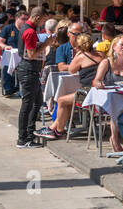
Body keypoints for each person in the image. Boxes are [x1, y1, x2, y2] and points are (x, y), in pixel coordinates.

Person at [41, 34, 101, 139]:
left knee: (61, 100)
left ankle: (59, 132)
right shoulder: (101, 54)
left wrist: (76, 56)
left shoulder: (81, 57)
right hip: (99, 91)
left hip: (88, 92)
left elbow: (71, 70)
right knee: (67, 101)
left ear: (78, 47)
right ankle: (53, 128)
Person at [16, 8, 58, 148]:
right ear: (37, 17)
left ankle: (29, 133)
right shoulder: (29, 31)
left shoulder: (27, 29)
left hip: (30, 70)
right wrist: (46, 44)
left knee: (37, 102)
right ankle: (23, 139)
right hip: (28, 70)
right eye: (43, 20)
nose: (43, 23)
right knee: (27, 105)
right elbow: (32, 54)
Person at [93, 32, 123, 153]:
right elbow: (96, 81)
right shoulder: (106, 63)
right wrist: (99, 84)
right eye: (122, 45)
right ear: (114, 47)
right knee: (116, 107)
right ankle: (115, 137)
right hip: (110, 100)